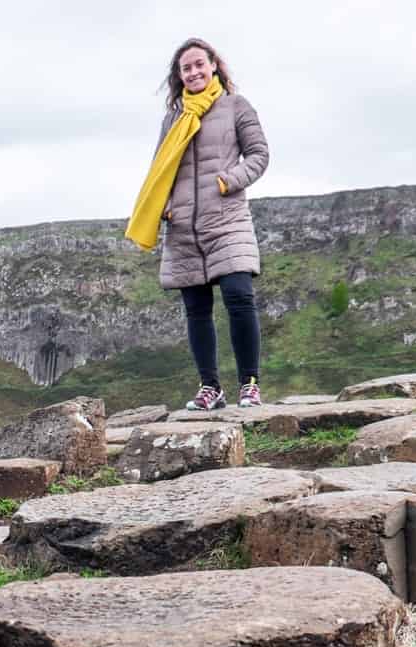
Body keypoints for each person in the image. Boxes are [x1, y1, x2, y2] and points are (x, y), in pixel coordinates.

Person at [126, 37, 270, 410]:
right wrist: (168, 206)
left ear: (214, 66)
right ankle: (211, 388)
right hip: (183, 225)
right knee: (196, 308)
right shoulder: (173, 117)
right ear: (179, 76)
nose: (193, 72)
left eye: (198, 65)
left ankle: (250, 385)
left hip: (227, 219)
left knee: (239, 296)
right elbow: (161, 168)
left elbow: (259, 154)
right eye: (186, 68)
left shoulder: (236, 106)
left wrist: (229, 180)